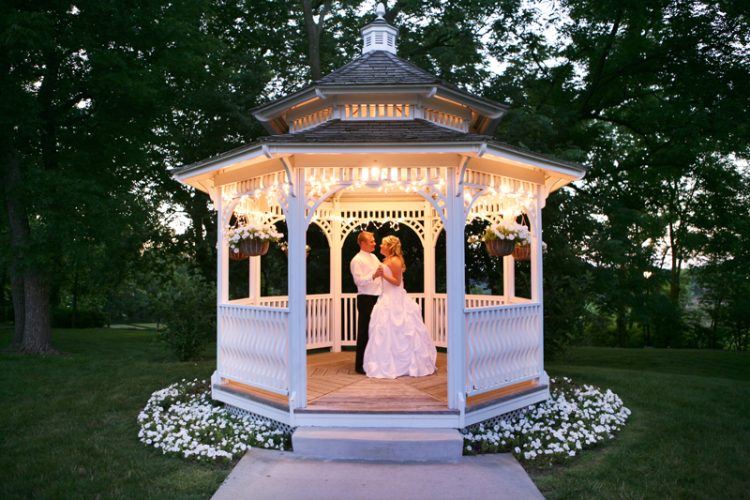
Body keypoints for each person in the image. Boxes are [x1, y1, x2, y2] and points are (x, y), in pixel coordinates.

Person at [363, 235, 437, 379]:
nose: (380, 246)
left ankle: (405, 364)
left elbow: (397, 282)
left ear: (389, 246)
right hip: (385, 298)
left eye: (383, 244)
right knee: (384, 332)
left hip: (396, 299)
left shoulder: (395, 261)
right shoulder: (386, 260)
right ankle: (386, 363)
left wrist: (382, 275)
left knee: (401, 330)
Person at [349, 231, 383, 374]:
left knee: (376, 331)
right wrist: (373, 275)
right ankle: (360, 365)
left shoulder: (374, 257)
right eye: (371, 241)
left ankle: (373, 361)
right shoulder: (356, 260)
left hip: (378, 297)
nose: (375, 243)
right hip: (366, 299)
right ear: (362, 243)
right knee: (364, 331)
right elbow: (359, 281)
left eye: (374, 240)